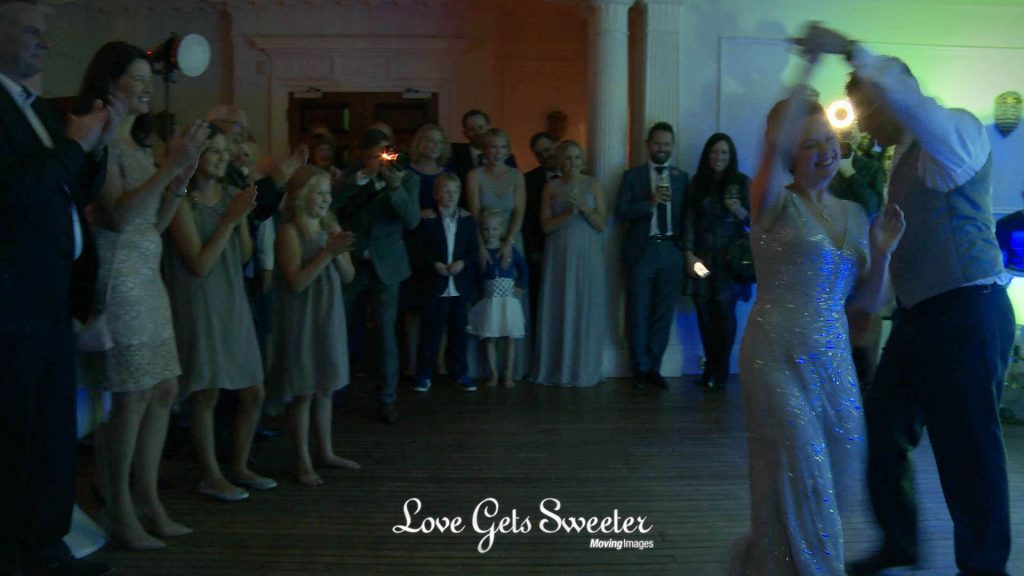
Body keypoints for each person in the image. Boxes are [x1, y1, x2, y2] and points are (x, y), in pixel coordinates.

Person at [798, 24, 1017, 576]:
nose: (861, 122)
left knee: (968, 452)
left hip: (968, 311)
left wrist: (853, 52)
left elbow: (909, 103)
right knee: (884, 427)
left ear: (890, 94)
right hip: (920, 317)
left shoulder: (956, 133)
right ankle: (901, 541)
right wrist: (874, 310)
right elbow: (905, 243)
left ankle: (984, 567)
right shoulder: (901, 157)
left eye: (865, 107)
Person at [730, 46, 905, 574]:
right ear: (790, 155)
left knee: (841, 474)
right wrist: (805, 72)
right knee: (803, 468)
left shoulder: (855, 213)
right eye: (809, 145)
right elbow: (771, 146)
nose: (825, 151)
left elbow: (867, 306)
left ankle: (768, 559)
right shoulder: (774, 204)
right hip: (774, 354)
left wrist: (882, 252)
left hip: (832, 359)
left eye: (828, 140)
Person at [0, 2, 117, 574]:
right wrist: (73, 146)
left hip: (48, 305)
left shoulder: (34, 108)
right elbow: (15, 197)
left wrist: (93, 147)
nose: (45, 42)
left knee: (49, 443)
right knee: (15, 447)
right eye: (32, 31)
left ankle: (46, 550)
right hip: (11, 307)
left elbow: (66, 188)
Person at [77, 41, 207, 552]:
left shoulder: (136, 145)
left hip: (146, 275)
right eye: (137, 77)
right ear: (109, 83)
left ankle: (149, 498)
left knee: (163, 389)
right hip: (118, 282)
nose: (148, 85)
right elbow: (122, 217)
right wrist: (168, 166)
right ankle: (118, 508)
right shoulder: (102, 140)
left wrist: (179, 177)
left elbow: (153, 222)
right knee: (130, 397)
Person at [164, 129, 275, 502]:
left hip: (231, 296)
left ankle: (240, 466)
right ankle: (210, 474)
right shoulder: (182, 200)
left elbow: (243, 254)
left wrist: (241, 215)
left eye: (226, 152)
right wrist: (229, 219)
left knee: (254, 390)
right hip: (199, 298)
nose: (222, 157)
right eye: (214, 150)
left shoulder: (230, 195)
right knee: (206, 390)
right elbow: (198, 263)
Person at [271, 165, 361, 486]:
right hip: (302, 315)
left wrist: (337, 253)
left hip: (328, 312)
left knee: (325, 387)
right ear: (301, 197)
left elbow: (349, 276)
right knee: (304, 389)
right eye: (318, 193)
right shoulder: (288, 232)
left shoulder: (330, 225)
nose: (325, 199)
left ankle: (325, 450)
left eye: (327, 193)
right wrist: (327, 251)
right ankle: (302, 459)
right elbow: (296, 281)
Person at [334, 128, 420, 423]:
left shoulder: (407, 177)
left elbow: (412, 219)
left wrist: (394, 188)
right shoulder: (352, 174)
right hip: (353, 262)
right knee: (340, 327)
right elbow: (334, 202)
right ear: (364, 156)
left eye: (387, 152)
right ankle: (336, 391)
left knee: (385, 333)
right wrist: (364, 177)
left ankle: (387, 398)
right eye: (376, 155)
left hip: (389, 265)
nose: (383, 159)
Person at [615, 122, 688, 390]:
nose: (662, 148)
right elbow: (620, 211)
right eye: (657, 143)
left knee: (663, 312)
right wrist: (650, 203)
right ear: (648, 144)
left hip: (671, 250)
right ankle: (640, 368)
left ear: (673, 146)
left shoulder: (682, 178)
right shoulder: (632, 177)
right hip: (641, 250)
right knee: (638, 310)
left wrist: (686, 251)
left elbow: (687, 216)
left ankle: (655, 367)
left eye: (667, 144)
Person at [532, 140, 607, 388]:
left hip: (587, 255)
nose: (572, 163)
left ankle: (583, 368)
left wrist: (585, 208)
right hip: (559, 255)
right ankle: (558, 368)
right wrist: (568, 214)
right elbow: (544, 226)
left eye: (577, 157)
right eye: (567, 158)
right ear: (559, 161)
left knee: (584, 305)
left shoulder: (593, 184)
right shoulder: (550, 187)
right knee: (560, 304)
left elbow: (601, 225)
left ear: (583, 160)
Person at [683, 133, 751, 390]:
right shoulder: (697, 183)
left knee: (724, 312)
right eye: (714, 152)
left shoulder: (742, 183)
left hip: (730, 260)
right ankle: (710, 366)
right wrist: (688, 253)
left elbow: (758, 222)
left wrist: (739, 210)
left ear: (731, 155)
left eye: (723, 153)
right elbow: (688, 219)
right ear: (707, 155)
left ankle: (721, 369)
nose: (718, 157)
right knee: (703, 310)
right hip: (702, 258)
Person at [465, 128, 530, 381]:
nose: (497, 152)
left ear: (509, 150)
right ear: (484, 149)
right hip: (483, 239)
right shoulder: (474, 175)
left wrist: (508, 242)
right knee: (485, 304)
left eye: (502, 147)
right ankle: (485, 370)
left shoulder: (517, 176)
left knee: (511, 308)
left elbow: (519, 212)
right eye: (492, 147)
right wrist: (481, 245)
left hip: (511, 241)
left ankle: (511, 370)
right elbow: (474, 213)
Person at [411, 173, 477, 392]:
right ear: (437, 194)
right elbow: (418, 251)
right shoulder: (428, 219)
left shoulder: (467, 220)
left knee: (459, 332)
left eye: (455, 191)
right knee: (431, 331)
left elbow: (473, 250)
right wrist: (434, 264)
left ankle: (460, 372)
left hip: (458, 286)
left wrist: (462, 263)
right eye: (447, 191)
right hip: (436, 284)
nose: (451, 195)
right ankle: (423, 374)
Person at [467, 210, 528, 388]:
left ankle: (508, 374)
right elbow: (474, 275)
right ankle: (493, 374)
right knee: (491, 337)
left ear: (501, 229)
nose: (490, 232)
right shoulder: (480, 252)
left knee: (511, 338)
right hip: (490, 300)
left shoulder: (510, 249)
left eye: (494, 228)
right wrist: (474, 293)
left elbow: (523, 269)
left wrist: (520, 287)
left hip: (509, 301)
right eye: (486, 229)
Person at [523, 132, 559, 329]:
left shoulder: (576, 175)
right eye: (539, 154)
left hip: (569, 249)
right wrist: (534, 251)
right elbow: (526, 220)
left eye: (547, 150)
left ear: (555, 146)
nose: (544, 156)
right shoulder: (529, 180)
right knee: (541, 304)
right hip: (541, 252)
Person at [447, 109, 517, 183]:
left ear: (489, 128)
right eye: (472, 129)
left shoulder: (507, 157)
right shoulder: (455, 156)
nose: (478, 132)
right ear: (465, 133)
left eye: (481, 127)